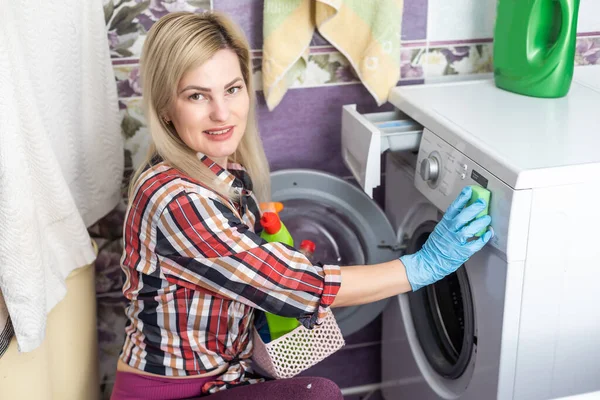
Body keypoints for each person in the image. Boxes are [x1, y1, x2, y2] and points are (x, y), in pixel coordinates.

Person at [111, 11, 493, 400]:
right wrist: (421, 267)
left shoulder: (222, 174)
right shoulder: (178, 199)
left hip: (225, 376)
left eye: (232, 89)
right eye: (197, 96)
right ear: (164, 109)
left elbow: (249, 275)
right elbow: (292, 285)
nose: (222, 113)